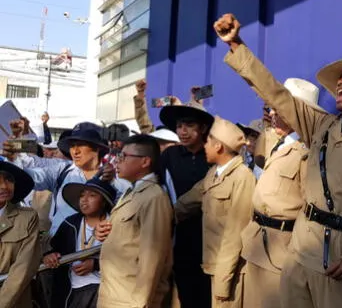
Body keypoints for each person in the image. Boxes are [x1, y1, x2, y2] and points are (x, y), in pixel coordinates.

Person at [215, 13, 342, 308]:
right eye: (340, 79)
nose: (341, 83)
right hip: (299, 251)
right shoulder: (323, 125)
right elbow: (277, 94)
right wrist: (237, 45)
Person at [241, 78, 321, 308]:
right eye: (272, 108)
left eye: (280, 108)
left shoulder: (308, 151)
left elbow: (311, 208)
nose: (273, 113)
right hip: (257, 244)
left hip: (280, 251)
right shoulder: (279, 143)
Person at [175, 116, 255, 307]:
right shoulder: (213, 173)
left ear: (218, 146)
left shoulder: (242, 177)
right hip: (211, 266)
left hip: (229, 271)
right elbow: (187, 203)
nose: (204, 146)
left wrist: (223, 280)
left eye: (208, 141)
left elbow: (235, 234)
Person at [96, 134, 173, 308]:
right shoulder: (132, 191)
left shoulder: (154, 196)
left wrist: (141, 302)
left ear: (145, 162)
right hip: (114, 293)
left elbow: (152, 257)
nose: (117, 161)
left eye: (123, 157)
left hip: (130, 299)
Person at [159, 101, 215, 307]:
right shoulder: (168, 156)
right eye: (180, 126)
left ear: (202, 128)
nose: (183, 131)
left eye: (189, 125)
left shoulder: (213, 157)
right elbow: (156, 187)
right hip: (177, 236)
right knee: (184, 293)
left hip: (209, 236)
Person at [42, 176, 116, 308]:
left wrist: (96, 264)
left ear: (104, 201)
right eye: (82, 195)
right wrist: (50, 256)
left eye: (92, 195)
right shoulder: (70, 223)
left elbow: (125, 257)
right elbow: (54, 249)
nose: (84, 200)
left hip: (106, 290)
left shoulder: (115, 225)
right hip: (72, 292)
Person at [0, 161, 42, 308]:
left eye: (9, 179)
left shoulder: (27, 217)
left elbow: (23, 268)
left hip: (13, 300)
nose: (4, 186)